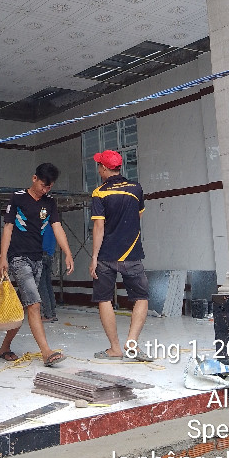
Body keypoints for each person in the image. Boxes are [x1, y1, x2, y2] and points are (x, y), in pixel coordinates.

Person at [0, 163, 74, 366]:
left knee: (24, 307)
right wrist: (3, 257)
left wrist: (68, 253)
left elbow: (57, 227)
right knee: (34, 304)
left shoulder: (50, 202)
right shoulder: (17, 198)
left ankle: (5, 347)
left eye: (49, 187)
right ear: (34, 179)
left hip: (38, 259)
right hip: (18, 258)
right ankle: (47, 353)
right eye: (43, 185)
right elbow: (8, 228)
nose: (45, 190)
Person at [89, 149, 153, 361]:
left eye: (99, 166)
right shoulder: (136, 188)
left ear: (104, 168)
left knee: (104, 299)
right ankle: (131, 343)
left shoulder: (99, 193)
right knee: (141, 297)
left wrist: (94, 258)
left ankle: (115, 348)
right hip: (132, 254)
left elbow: (99, 227)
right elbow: (138, 216)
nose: (98, 170)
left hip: (106, 256)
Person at [39, 221, 58, 322]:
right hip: (50, 255)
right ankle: (52, 312)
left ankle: (48, 314)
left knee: (42, 286)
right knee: (48, 284)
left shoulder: (42, 223)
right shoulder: (53, 225)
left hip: (41, 255)